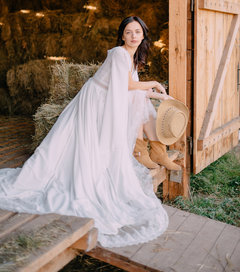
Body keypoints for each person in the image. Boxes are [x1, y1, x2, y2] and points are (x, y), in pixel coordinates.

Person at [0, 16, 178, 248]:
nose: (133, 36)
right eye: (128, 32)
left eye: (137, 32)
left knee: (143, 103)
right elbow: (128, 86)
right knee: (87, 146)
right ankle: (148, 150)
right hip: (95, 100)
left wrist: (161, 96)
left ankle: (152, 150)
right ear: (122, 35)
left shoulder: (132, 57)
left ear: (143, 35)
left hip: (107, 98)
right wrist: (154, 83)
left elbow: (134, 90)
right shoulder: (118, 53)